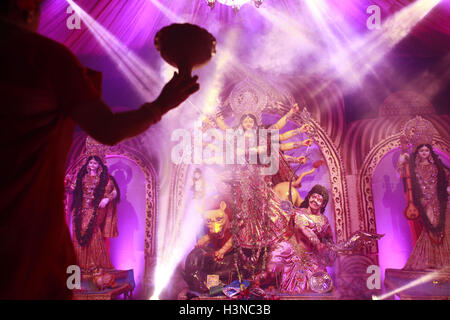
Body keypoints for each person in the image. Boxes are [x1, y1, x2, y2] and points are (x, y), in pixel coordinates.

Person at [0, 0, 199, 299]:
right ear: (27, 9)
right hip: (29, 234)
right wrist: (159, 106)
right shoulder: (47, 60)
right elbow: (108, 129)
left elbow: (110, 193)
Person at [398, 144, 450, 270]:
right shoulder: (414, 168)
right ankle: (431, 260)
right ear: (418, 153)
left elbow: (447, 177)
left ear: (430, 152)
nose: (424, 153)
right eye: (421, 150)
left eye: (427, 150)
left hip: (439, 201)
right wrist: (402, 160)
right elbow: (403, 175)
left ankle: (445, 261)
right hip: (425, 202)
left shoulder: (437, 167)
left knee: (444, 229)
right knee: (430, 229)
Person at [70, 156, 119, 273]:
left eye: (95, 163)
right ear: (87, 164)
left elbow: (115, 191)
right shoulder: (82, 177)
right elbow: (73, 188)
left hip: (96, 209)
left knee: (91, 230)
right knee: (79, 231)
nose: (92, 165)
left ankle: (97, 263)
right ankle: (81, 265)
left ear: (99, 165)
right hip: (81, 209)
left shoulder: (104, 178)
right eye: (91, 162)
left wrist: (107, 199)